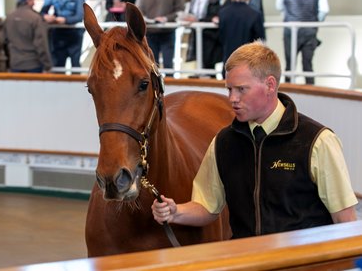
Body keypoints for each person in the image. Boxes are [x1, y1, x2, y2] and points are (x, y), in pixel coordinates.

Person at [152, 41, 358, 239]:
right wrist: (175, 211)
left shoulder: (318, 141)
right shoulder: (223, 143)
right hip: (249, 260)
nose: (232, 98)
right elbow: (206, 206)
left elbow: (345, 220)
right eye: (229, 89)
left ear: (270, 85)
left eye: (241, 89)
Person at [275, 0, 329, 85]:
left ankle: (287, 95)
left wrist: (288, 18)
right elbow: (324, 10)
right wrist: (314, 23)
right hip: (310, 30)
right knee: (308, 66)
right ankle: (312, 95)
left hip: (290, 29)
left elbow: (279, 6)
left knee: (289, 66)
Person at [135, 0, 184, 72]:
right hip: (150, 32)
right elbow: (139, 8)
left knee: (168, 63)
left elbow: (180, 9)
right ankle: (154, 88)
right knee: (151, 64)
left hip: (168, 32)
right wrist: (145, 18)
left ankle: (170, 84)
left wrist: (166, 18)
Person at [218, 0, 265, 77]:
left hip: (228, 64)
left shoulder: (223, 13)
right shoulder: (255, 14)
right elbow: (261, 41)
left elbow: (221, 37)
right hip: (248, 67)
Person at [40, 0, 86, 70]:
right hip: (58, 35)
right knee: (57, 66)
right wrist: (46, 17)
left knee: (75, 65)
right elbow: (42, 12)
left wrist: (64, 20)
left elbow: (80, 15)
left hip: (75, 35)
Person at [184, 0, 222, 76]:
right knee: (199, 61)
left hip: (209, 35)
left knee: (208, 63)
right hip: (197, 32)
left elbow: (213, 15)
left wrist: (197, 20)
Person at [4, 0, 52, 73]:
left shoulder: (9, 17)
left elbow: (4, 41)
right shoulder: (35, 18)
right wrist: (47, 65)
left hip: (15, 63)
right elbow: (41, 44)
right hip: (33, 64)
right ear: (29, 0)